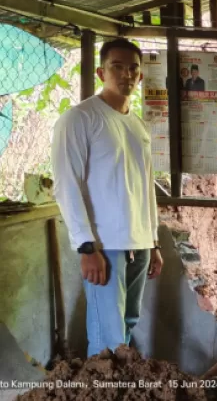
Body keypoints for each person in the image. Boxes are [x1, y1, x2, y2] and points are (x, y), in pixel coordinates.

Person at [51, 38, 164, 357]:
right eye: (117, 67)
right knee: (107, 336)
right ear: (101, 72)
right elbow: (66, 185)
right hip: (104, 245)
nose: (126, 74)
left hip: (138, 243)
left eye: (133, 68)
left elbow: (145, 186)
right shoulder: (79, 119)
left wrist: (152, 242)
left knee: (127, 324)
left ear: (141, 76)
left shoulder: (138, 125)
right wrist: (86, 246)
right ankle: (100, 388)